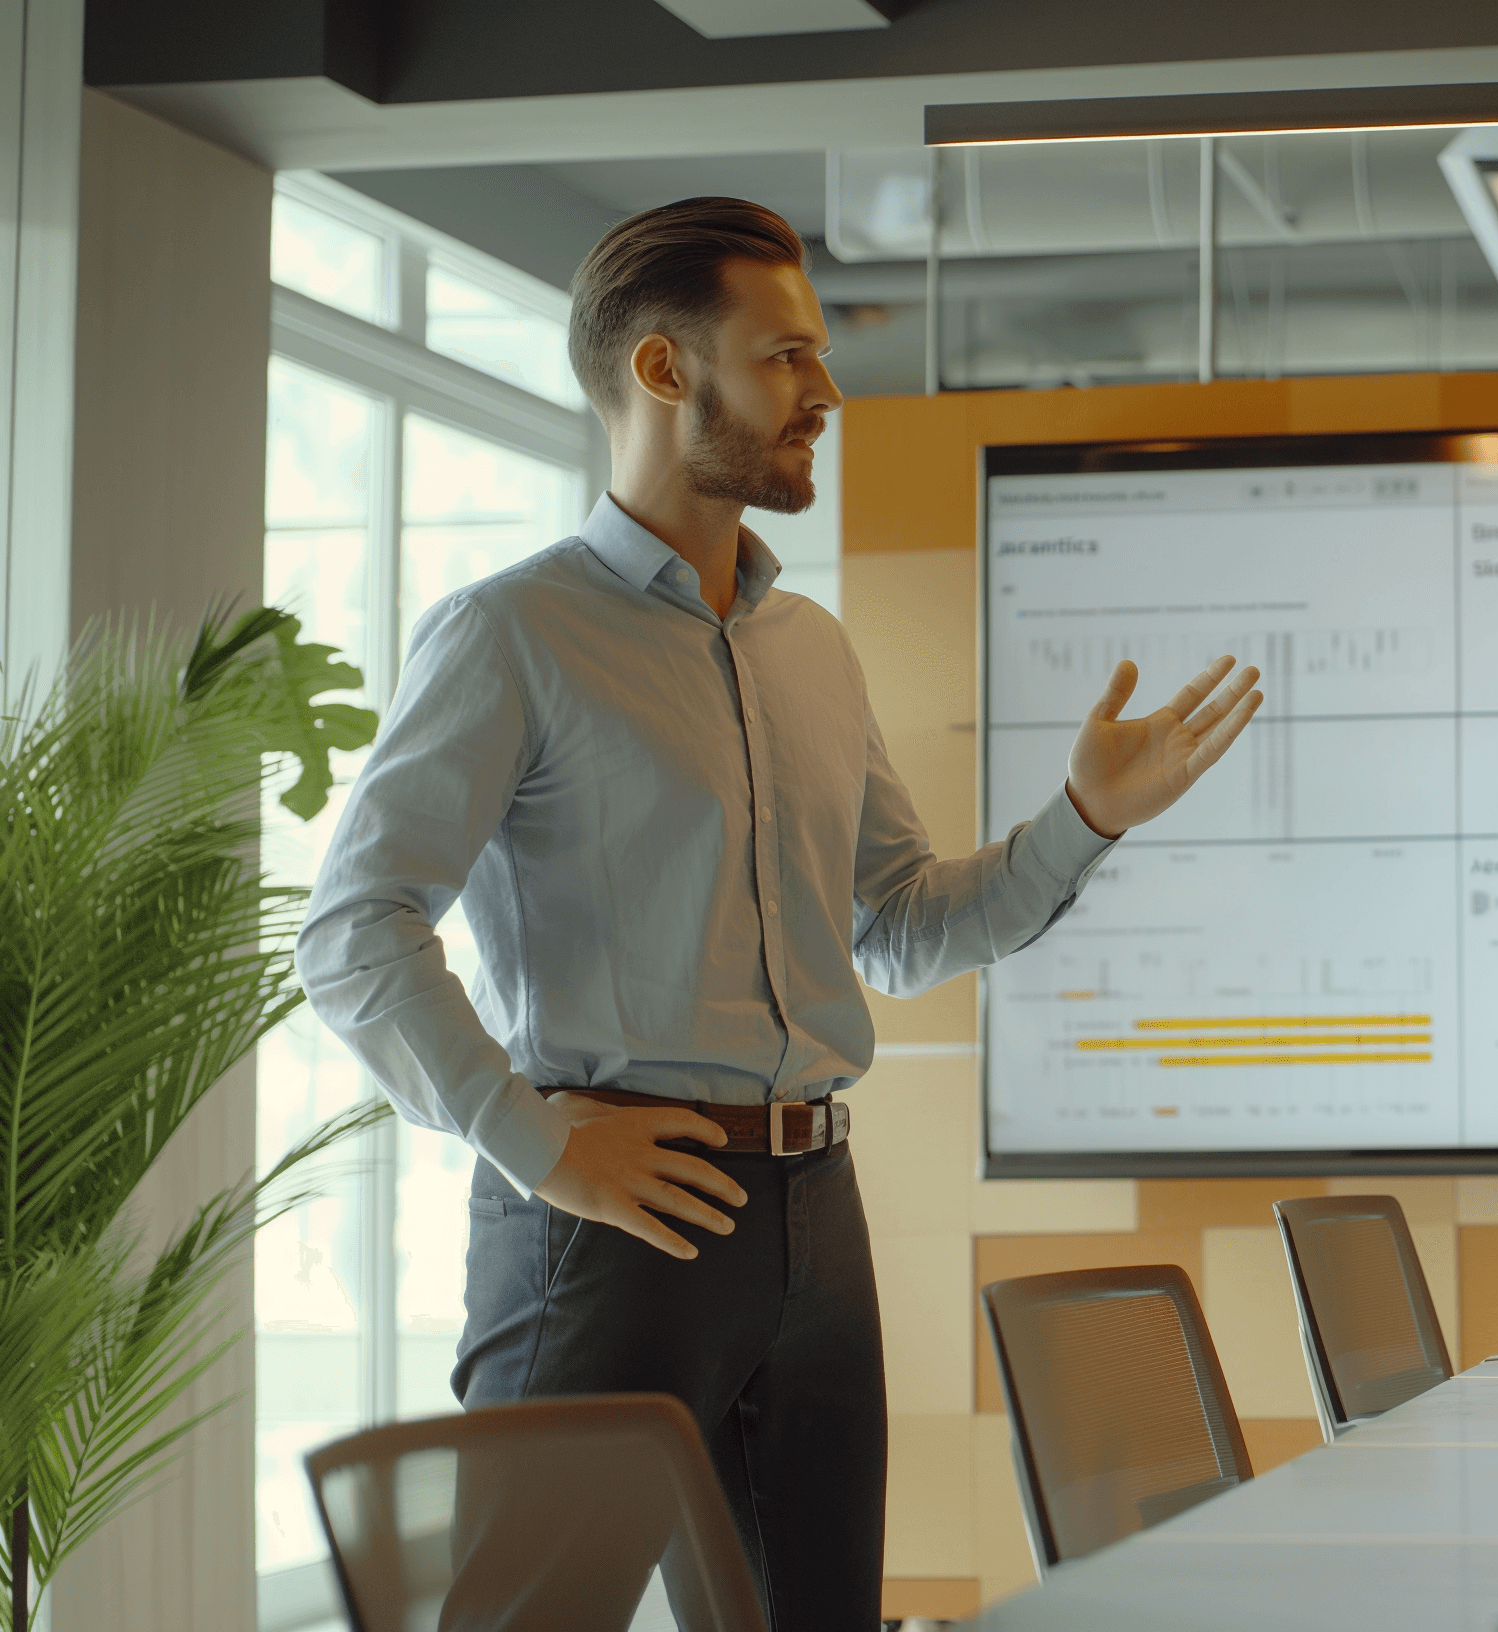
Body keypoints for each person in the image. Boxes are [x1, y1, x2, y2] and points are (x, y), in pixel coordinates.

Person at [295, 198, 1263, 1626]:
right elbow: (354, 928)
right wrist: (531, 1139)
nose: (825, 391)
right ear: (664, 369)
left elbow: (902, 925)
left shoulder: (812, 649)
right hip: (615, 1220)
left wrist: (1085, 819)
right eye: (786, 357)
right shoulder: (511, 635)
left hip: (816, 1213)